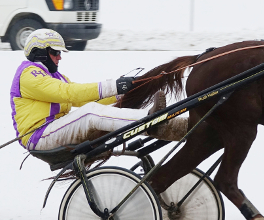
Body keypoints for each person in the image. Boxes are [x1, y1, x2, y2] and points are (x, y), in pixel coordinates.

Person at [9, 29, 180, 152]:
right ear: (39, 52)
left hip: (52, 130)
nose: (60, 57)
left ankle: (158, 122)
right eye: (55, 52)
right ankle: (148, 121)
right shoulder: (28, 74)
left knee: (90, 109)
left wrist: (121, 93)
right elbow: (69, 93)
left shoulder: (55, 76)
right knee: (89, 114)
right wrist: (114, 85)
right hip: (38, 135)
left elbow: (82, 99)